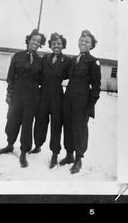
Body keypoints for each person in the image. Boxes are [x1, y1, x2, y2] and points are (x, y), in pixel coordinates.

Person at [0, 29, 46, 168]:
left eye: (38, 41)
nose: (35, 42)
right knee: (13, 119)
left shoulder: (40, 61)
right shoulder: (17, 56)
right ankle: (10, 144)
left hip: (32, 95)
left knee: (27, 122)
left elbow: (42, 79)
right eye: (34, 39)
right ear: (29, 40)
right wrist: (8, 94)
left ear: (40, 44)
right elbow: (10, 77)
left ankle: (24, 151)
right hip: (17, 92)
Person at [60, 30, 101, 174]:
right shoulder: (73, 59)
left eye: (87, 42)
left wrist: (90, 106)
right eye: (81, 40)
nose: (83, 43)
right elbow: (64, 74)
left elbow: (96, 86)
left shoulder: (93, 62)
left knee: (79, 129)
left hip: (82, 99)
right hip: (68, 97)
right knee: (68, 126)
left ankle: (78, 159)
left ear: (91, 46)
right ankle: (69, 154)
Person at [29, 32, 71, 169]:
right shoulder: (45, 58)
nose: (56, 46)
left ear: (63, 45)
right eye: (53, 44)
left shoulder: (67, 61)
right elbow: (38, 73)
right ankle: (38, 145)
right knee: (40, 120)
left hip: (57, 94)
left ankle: (54, 153)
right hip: (43, 93)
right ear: (50, 45)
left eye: (59, 43)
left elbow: (68, 76)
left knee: (56, 124)